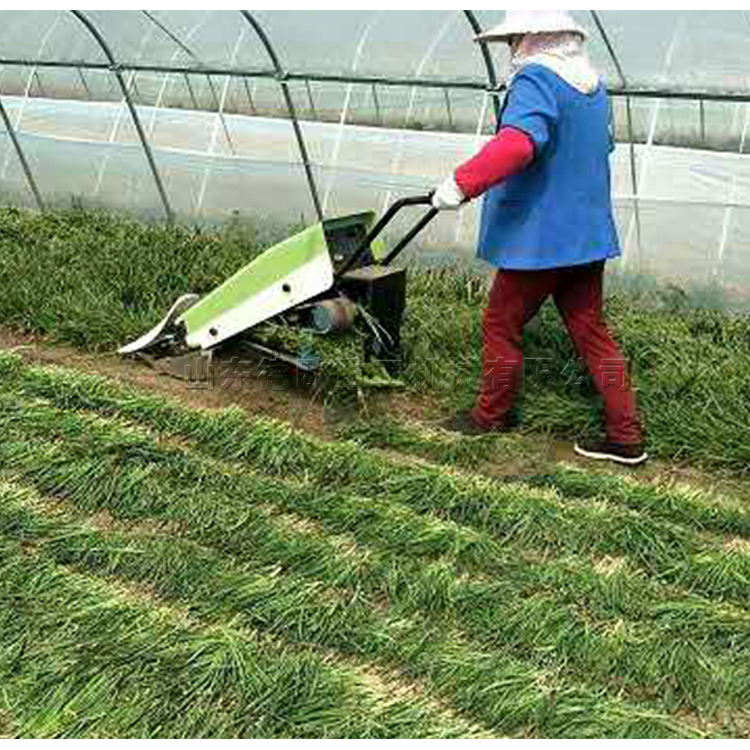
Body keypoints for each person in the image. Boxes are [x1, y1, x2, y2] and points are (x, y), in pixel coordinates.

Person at [432, 10, 647, 466]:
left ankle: (490, 416)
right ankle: (626, 434)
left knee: (500, 324)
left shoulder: (535, 81)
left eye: (514, 39)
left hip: (541, 239)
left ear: (533, 38)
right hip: (586, 235)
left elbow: (519, 144)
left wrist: (460, 183)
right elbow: (594, 149)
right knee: (592, 332)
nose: (511, 49)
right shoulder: (592, 86)